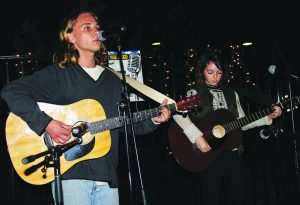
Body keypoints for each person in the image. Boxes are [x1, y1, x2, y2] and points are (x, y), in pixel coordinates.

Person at [1, 10, 171, 205]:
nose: (95, 32)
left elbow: (123, 123)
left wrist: (153, 119)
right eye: (87, 28)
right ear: (71, 36)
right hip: (70, 176)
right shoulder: (60, 75)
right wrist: (46, 123)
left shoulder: (113, 80)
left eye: (97, 28)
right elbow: (12, 91)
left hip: (107, 177)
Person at [173, 50, 282, 205]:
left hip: (232, 153)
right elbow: (177, 114)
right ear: (202, 71)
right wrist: (196, 137)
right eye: (210, 72)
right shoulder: (195, 93)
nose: (215, 76)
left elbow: (241, 123)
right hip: (208, 156)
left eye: (219, 72)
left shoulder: (232, 93)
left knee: (238, 198)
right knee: (211, 199)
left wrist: (267, 118)